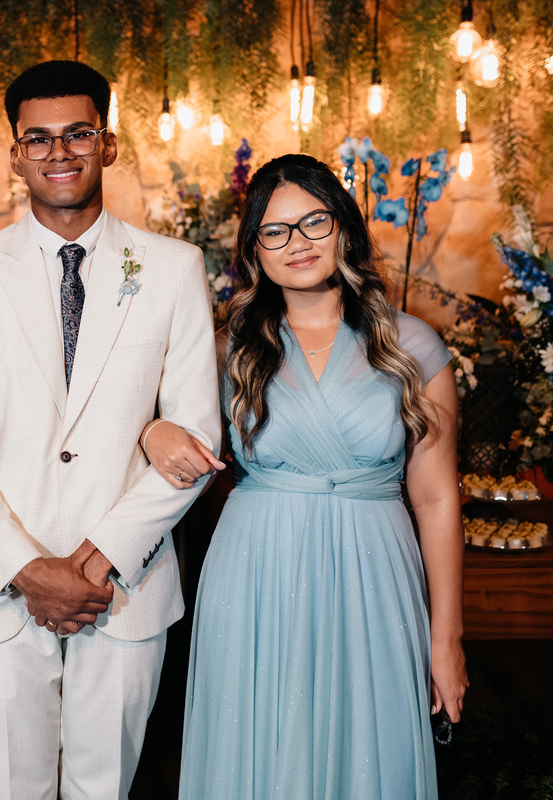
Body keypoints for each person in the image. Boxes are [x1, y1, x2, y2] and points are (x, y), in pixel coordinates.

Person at [0, 60, 222, 799]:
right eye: (39, 138)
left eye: (78, 133)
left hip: (124, 586)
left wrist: (98, 561)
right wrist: (27, 568)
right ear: (15, 154)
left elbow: (194, 443)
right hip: (2, 586)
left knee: (105, 788)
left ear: (107, 144)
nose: (59, 152)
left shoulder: (174, 268)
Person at [142, 153, 468, 798]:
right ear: (254, 250)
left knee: (369, 743)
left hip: (376, 570)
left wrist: (446, 636)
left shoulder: (411, 345)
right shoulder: (225, 349)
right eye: (275, 230)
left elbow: (435, 498)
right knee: (259, 737)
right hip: (256, 569)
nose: (298, 242)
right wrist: (151, 431)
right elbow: (149, 425)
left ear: (344, 226)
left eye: (315, 221)